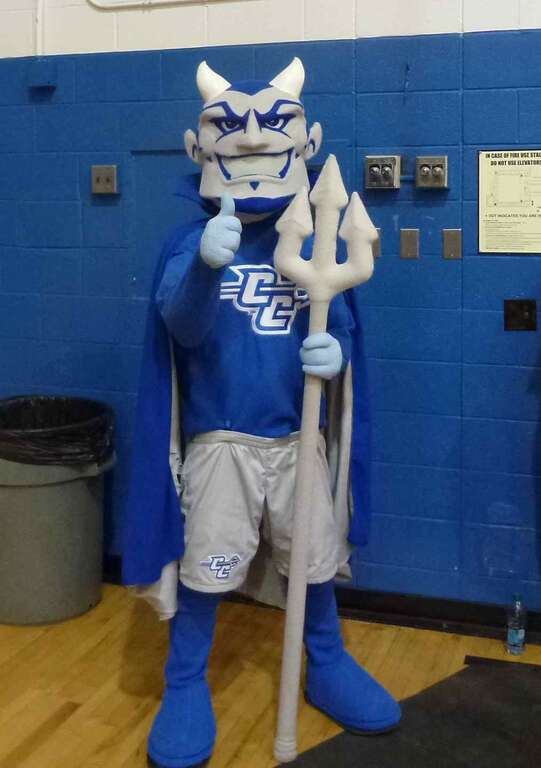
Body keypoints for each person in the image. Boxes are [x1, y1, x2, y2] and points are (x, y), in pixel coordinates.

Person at [122, 57, 401, 768]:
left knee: (310, 561)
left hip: (296, 435)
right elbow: (179, 331)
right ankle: (185, 683)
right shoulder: (188, 245)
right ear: (199, 149)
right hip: (220, 443)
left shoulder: (313, 244)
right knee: (205, 570)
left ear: (305, 147)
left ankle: (328, 661)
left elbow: (337, 326)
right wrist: (206, 268)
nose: (250, 146)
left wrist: (334, 356)